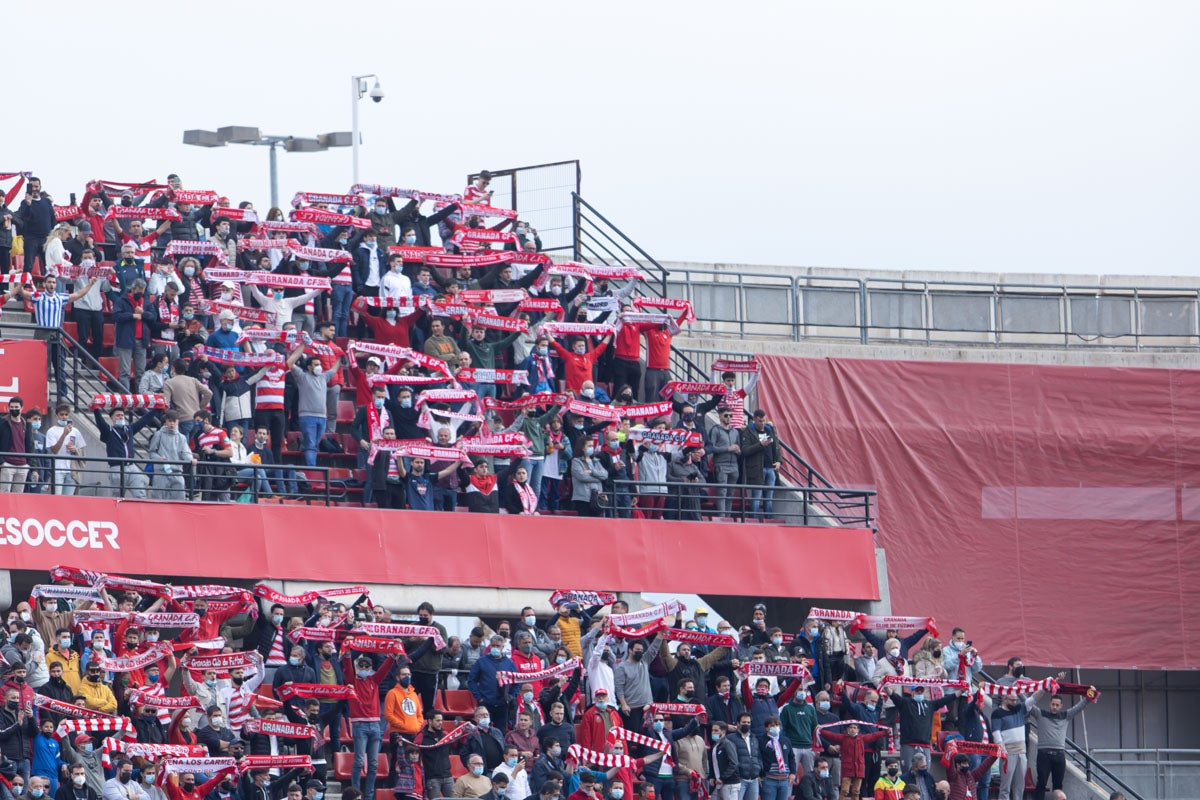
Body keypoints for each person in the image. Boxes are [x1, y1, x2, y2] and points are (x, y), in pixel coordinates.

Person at [21, 274, 100, 400]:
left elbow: (78, 294)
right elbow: (24, 294)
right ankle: (41, 393)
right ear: (44, 284)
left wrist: (90, 284)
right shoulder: (38, 296)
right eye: (49, 282)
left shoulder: (60, 297)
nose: (52, 284)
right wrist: (19, 281)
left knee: (60, 366)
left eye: (53, 282)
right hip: (42, 334)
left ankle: (62, 393)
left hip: (57, 334)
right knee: (41, 367)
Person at [1029, 692, 1091, 800]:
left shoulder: (1066, 715)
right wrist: (1018, 690)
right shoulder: (1040, 714)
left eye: (1057, 705)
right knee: (1041, 784)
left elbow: (1079, 707)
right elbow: (1028, 704)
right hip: (1044, 755)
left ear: (1061, 706)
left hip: (1059, 756)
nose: (1054, 707)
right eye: (1053, 704)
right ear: (1049, 704)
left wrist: (1091, 694)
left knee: (1058, 786)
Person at [92, 406, 155, 498]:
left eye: (122, 415)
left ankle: (141, 512)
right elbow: (100, 422)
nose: (121, 417)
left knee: (140, 495)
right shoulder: (108, 430)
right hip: (117, 468)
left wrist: (157, 409)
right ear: (112, 418)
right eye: (117, 415)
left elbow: (143, 421)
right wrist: (96, 408)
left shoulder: (129, 429)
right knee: (118, 498)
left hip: (132, 467)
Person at [817, 723, 889, 800]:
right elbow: (831, 735)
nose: (852, 729)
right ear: (847, 729)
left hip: (859, 769)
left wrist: (885, 732)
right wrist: (820, 730)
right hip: (847, 769)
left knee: (856, 791)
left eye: (855, 728)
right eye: (851, 727)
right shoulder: (843, 738)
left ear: (858, 730)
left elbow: (873, 736)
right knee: (844, 790)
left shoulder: (862, 738)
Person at [43, 403, 87, 495]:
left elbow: (82, 450)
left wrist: (75, 450)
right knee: (57, 497)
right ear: (56, 416)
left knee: (68, 499)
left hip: (72, 469)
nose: (64, 417)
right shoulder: (51, 431)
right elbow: (54, 450)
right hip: (58, 469)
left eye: (66, 415)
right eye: (61, 414)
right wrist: (64, 434)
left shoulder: (75, 431)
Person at [0, 397, 35, 493]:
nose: (14, 409)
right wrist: (2, 462)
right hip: (7, 464)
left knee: (18, 497)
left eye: (16, 407)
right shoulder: (3, 423)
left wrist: (31, 466)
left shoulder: (26, 424)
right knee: (4, 494)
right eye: (12, 407)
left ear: (22, 408)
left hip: (23, 465)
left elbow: (30, 445)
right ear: (8, 408)